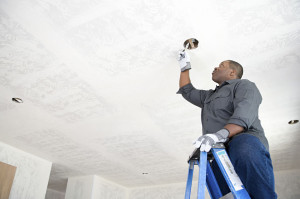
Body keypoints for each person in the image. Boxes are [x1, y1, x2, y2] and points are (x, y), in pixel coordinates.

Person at [177, 50, 277, 198]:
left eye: (221, 65)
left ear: (232, 73)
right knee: (221, 191)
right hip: (220, 150)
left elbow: (243, 115)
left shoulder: (244, 85)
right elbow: (188, 92)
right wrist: (184, 67)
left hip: (244, 140)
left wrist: (219, 135)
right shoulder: (208, 96)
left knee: (245, 152)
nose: (216, 68)